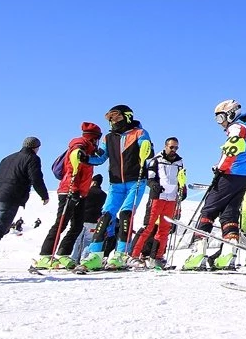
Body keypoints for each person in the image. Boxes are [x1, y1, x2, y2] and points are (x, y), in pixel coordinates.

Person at [183, 101, 246, 271]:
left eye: (221, 118)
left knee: (208, 211)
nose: (221, 123)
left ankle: (197, 255)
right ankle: (228, 255)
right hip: (243, 177)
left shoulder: (236, 128)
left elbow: (232, 148)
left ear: (231, 113)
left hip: (229, 175)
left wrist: (221, 167)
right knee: (229, 215)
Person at [77, 105, 153, 272]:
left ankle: (120, 254)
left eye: (117, 117)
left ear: (127, 117)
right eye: (110, 118)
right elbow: (101, 158)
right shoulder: (108, 137)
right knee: (105, 215)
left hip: (136, 181)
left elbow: (148, 151)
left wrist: (147, 148)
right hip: (115, 183)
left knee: (125, 214)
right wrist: (85, 158)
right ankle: (95, 255)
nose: (113, 121)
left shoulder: (139, 133)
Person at [34, 122, 107, 269]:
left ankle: (63, 255)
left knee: (77, 225)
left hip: (81, 192)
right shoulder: (79, 143)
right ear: (93, 137)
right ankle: (45, 256)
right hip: (69, 189)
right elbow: (73, 160)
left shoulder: (90, 149)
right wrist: (73, 189)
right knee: (61, 223)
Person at [0, 137, 50, 272]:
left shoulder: (7, 158)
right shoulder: (32, 158)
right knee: (1, 228)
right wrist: (44, 195)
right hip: (11, 196)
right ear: (36, 147)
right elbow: (36, 178)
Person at [128, 137, 187, 269]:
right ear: (166, 146)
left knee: (165, 229)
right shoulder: (156, 160)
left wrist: (183, 190)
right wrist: (154, 185)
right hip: (157, 197)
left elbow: (181, 177)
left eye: (176, 147)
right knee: (148, 226)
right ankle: (133, 255)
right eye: (171, 147)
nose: (174, 150)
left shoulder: (179, 161)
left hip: (171, 198)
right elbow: (150, 178)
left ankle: (157, 257)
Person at [71, 174, 106, 263]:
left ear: (93, 182)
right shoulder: (103, 195)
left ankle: (73, 259)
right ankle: (84, 259)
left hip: (82, 219)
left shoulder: (86, 192)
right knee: (88, 242)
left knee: (77, 240)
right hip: (94, 221)